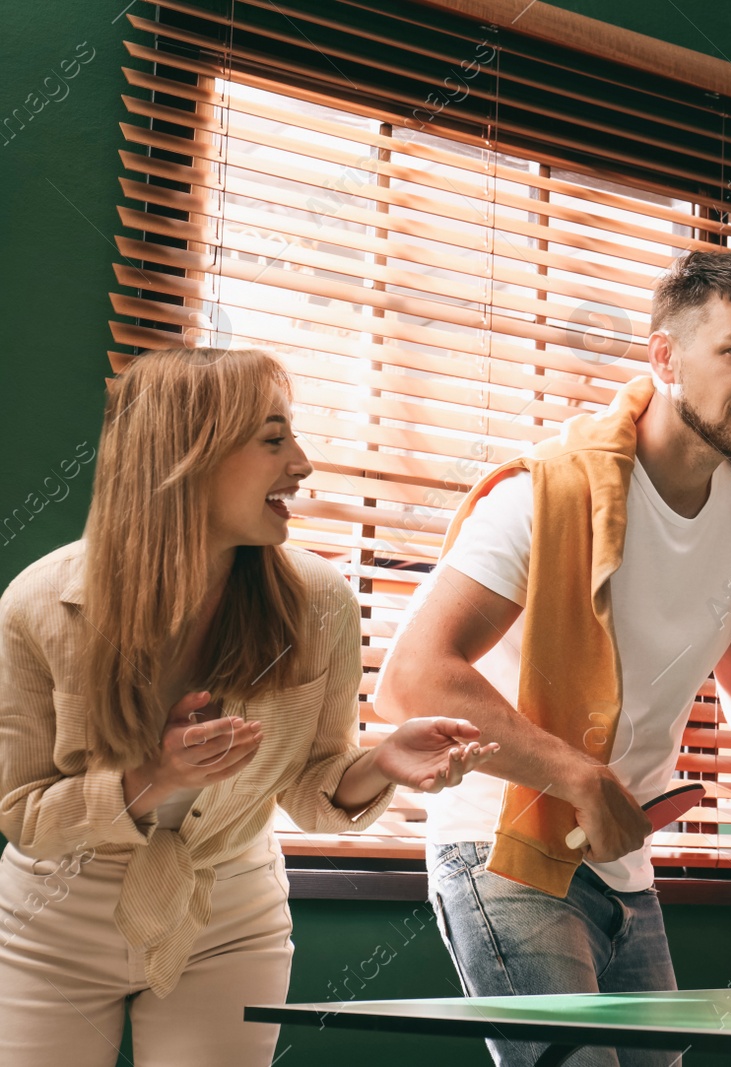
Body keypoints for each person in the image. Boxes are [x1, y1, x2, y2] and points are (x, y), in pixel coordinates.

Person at [375, 250, 731, 1067]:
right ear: (665, 358)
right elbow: (412, 677)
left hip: (623, 860)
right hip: (504, 845)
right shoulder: (546, 493)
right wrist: (579, 777)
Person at [0, 348, 496, 1066]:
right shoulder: (38, 605)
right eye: (273, 439)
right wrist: (155, 778)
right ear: (185, 455)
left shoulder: (319, 603)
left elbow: (314, 783)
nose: (300, 463)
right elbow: (24, 814)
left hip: (230, 917)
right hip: (54, 922)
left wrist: (379, 762)